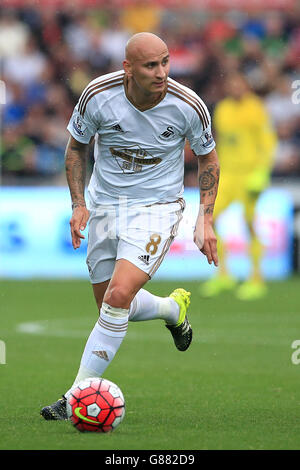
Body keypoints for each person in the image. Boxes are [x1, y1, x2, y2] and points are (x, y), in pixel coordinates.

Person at [40, 32, 220, 420]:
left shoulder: (188, 105)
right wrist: (78, 204)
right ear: (128, 68)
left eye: (166, 62)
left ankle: (75, 397)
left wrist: (204, 218)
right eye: (151, 66)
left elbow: (209, 160)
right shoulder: (97, 96)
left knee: (118, 296)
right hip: (106, 205)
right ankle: (172, 309)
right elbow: (76, 148)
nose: (162, 73)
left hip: (157, 207)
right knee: (110, 303)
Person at [200, 72, 277, 301]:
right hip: (228, 174)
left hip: (250, 174)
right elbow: (221, 140)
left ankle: (256, 278)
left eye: (238, 83)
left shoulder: (256, 108)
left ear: (245, 85)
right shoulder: (223, 108)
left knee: (249, 223)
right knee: (211, 220)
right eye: (231, 84)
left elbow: (267, 141)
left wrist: (262, 171)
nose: (234, 87)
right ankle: (224, 275)